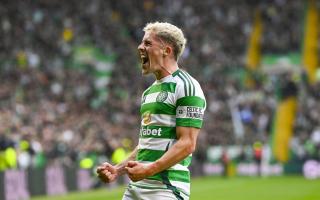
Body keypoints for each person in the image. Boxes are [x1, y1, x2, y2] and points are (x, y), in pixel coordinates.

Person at [96, 22, 206, 200]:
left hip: (165, 189)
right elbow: (146, 144)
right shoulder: (149, 92)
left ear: (167, 51)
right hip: (136, 188)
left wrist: (149, 169)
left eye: (148, 43)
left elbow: (187, 143)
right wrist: (117, 170)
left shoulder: (186, 86)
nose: (140, 47)